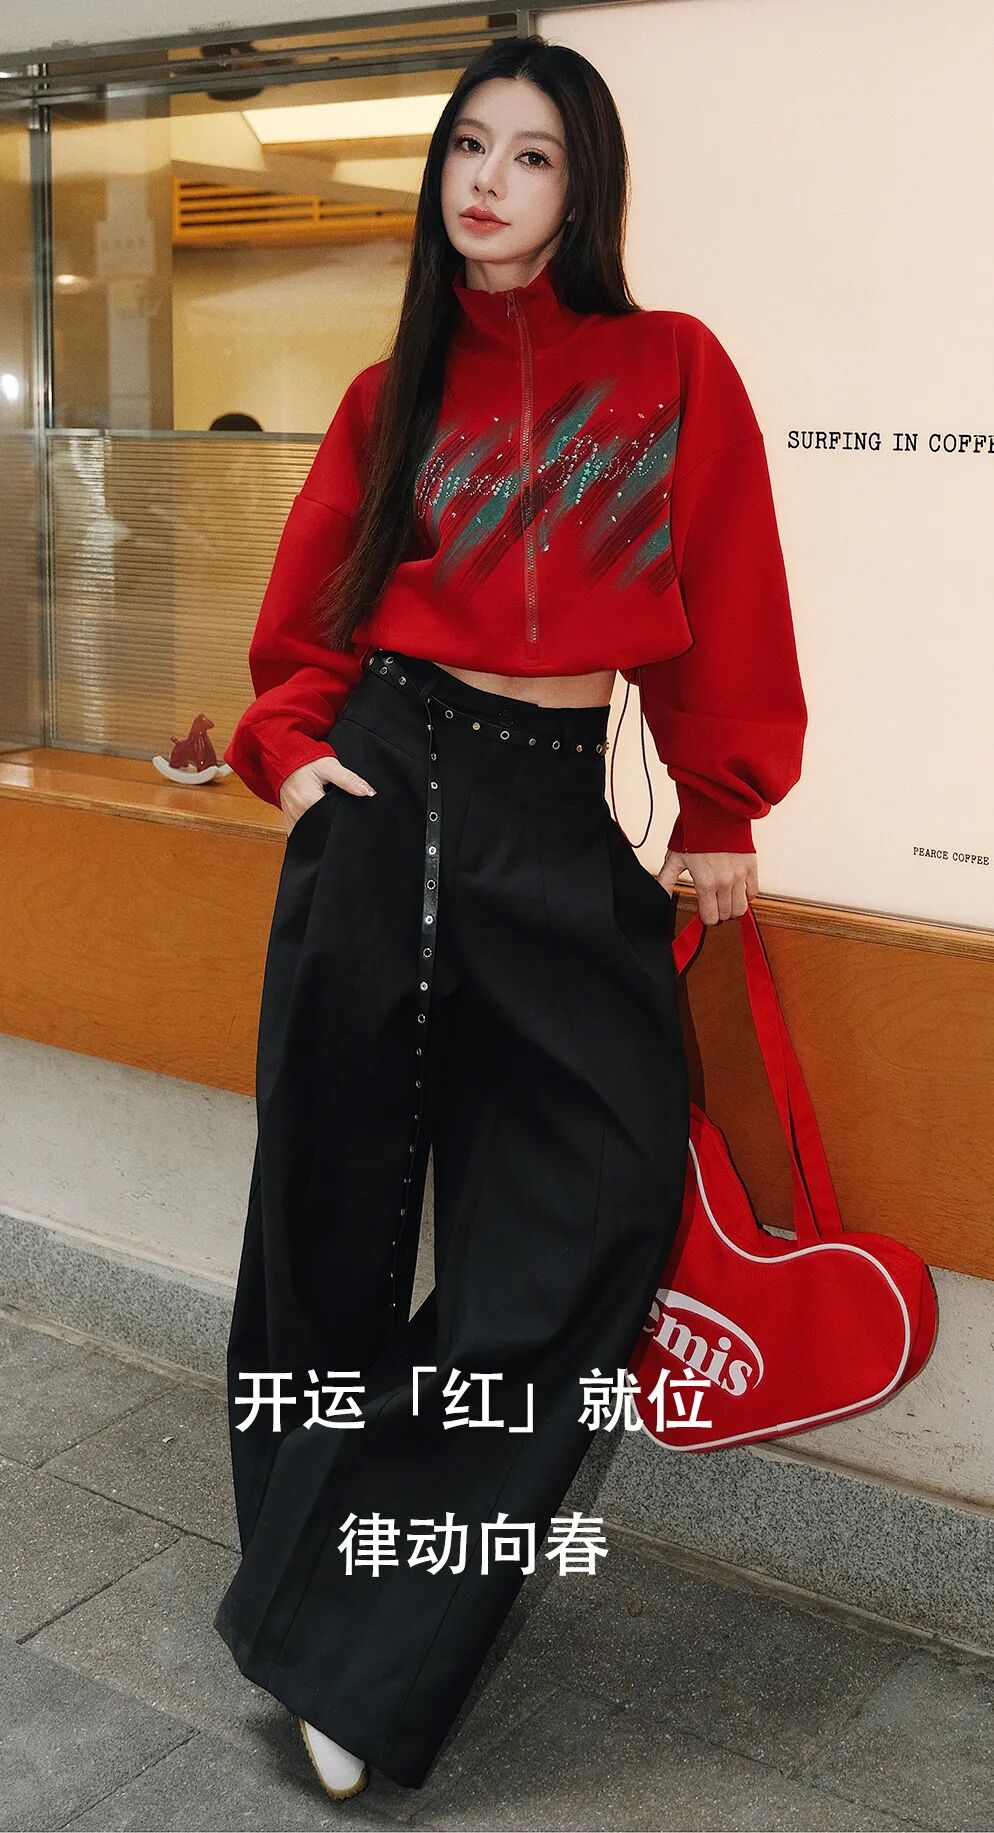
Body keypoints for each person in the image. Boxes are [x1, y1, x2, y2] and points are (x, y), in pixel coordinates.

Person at [212, 33, 807, 1801]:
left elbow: (727, 596)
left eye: (529, 154)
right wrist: (290, 754)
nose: (487, 178)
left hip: (554, 813)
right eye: (468, 145)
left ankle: (335, 1612)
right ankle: (323, 1605)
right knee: (329, 1219)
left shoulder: (671, 367)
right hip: (389, 783)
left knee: (602, 1204)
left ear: (581, 185)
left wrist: (719, 807)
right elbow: (304, 624)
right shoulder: (388, 391)